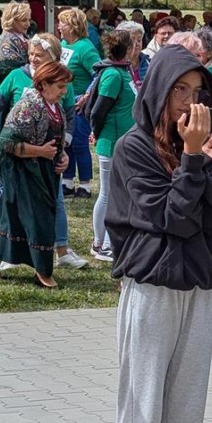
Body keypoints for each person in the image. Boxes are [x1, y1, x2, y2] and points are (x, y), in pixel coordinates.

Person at [107, 44, 212, 423]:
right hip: (153, 288)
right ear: (159, 88)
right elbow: (172, 218)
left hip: (198, 287)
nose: (189, 101)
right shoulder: (133, 147)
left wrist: (203, 162)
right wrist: (194, 160)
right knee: (143, 408)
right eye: (180, 89)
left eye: (198, 92)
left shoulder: (191, 146)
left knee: (186, 409)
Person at [0, 33, 87, 271]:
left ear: (53, 58)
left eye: (40, 55)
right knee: (16, 208)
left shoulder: (61, 82)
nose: (34, 59)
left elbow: (68, 116)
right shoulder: (17, 76)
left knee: (53, 203)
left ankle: (61, 249)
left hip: (48, 159)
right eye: (31, 54)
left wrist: (62, 149)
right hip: (21, 158)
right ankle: (6, 257)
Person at [88, 29, 138, 261]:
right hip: (112, 143)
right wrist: (96, 133)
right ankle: (103, 244)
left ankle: (104, 242)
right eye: (134, 43)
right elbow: (98, 111)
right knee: (109, 194)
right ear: (127, 49)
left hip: (121, 142)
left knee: (112, 193)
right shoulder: (113, 75)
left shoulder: (122, 72)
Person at [57, 7, 100, 199]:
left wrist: (87, 95)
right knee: (66, 142)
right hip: (65, 103)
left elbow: (99, 74)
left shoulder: (85, 48)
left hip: (79, 104)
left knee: (80, 144)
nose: (59, 26)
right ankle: (67, 181)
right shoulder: (63, 44)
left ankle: (85, 184)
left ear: (73, 26)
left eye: (62, 23)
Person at [0, 1, 32, 78]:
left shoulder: (23, 36)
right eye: (24, 20)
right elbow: (12, 67)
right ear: (12, 21)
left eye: (29, 20)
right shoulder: (5, 41)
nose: (28, 24)